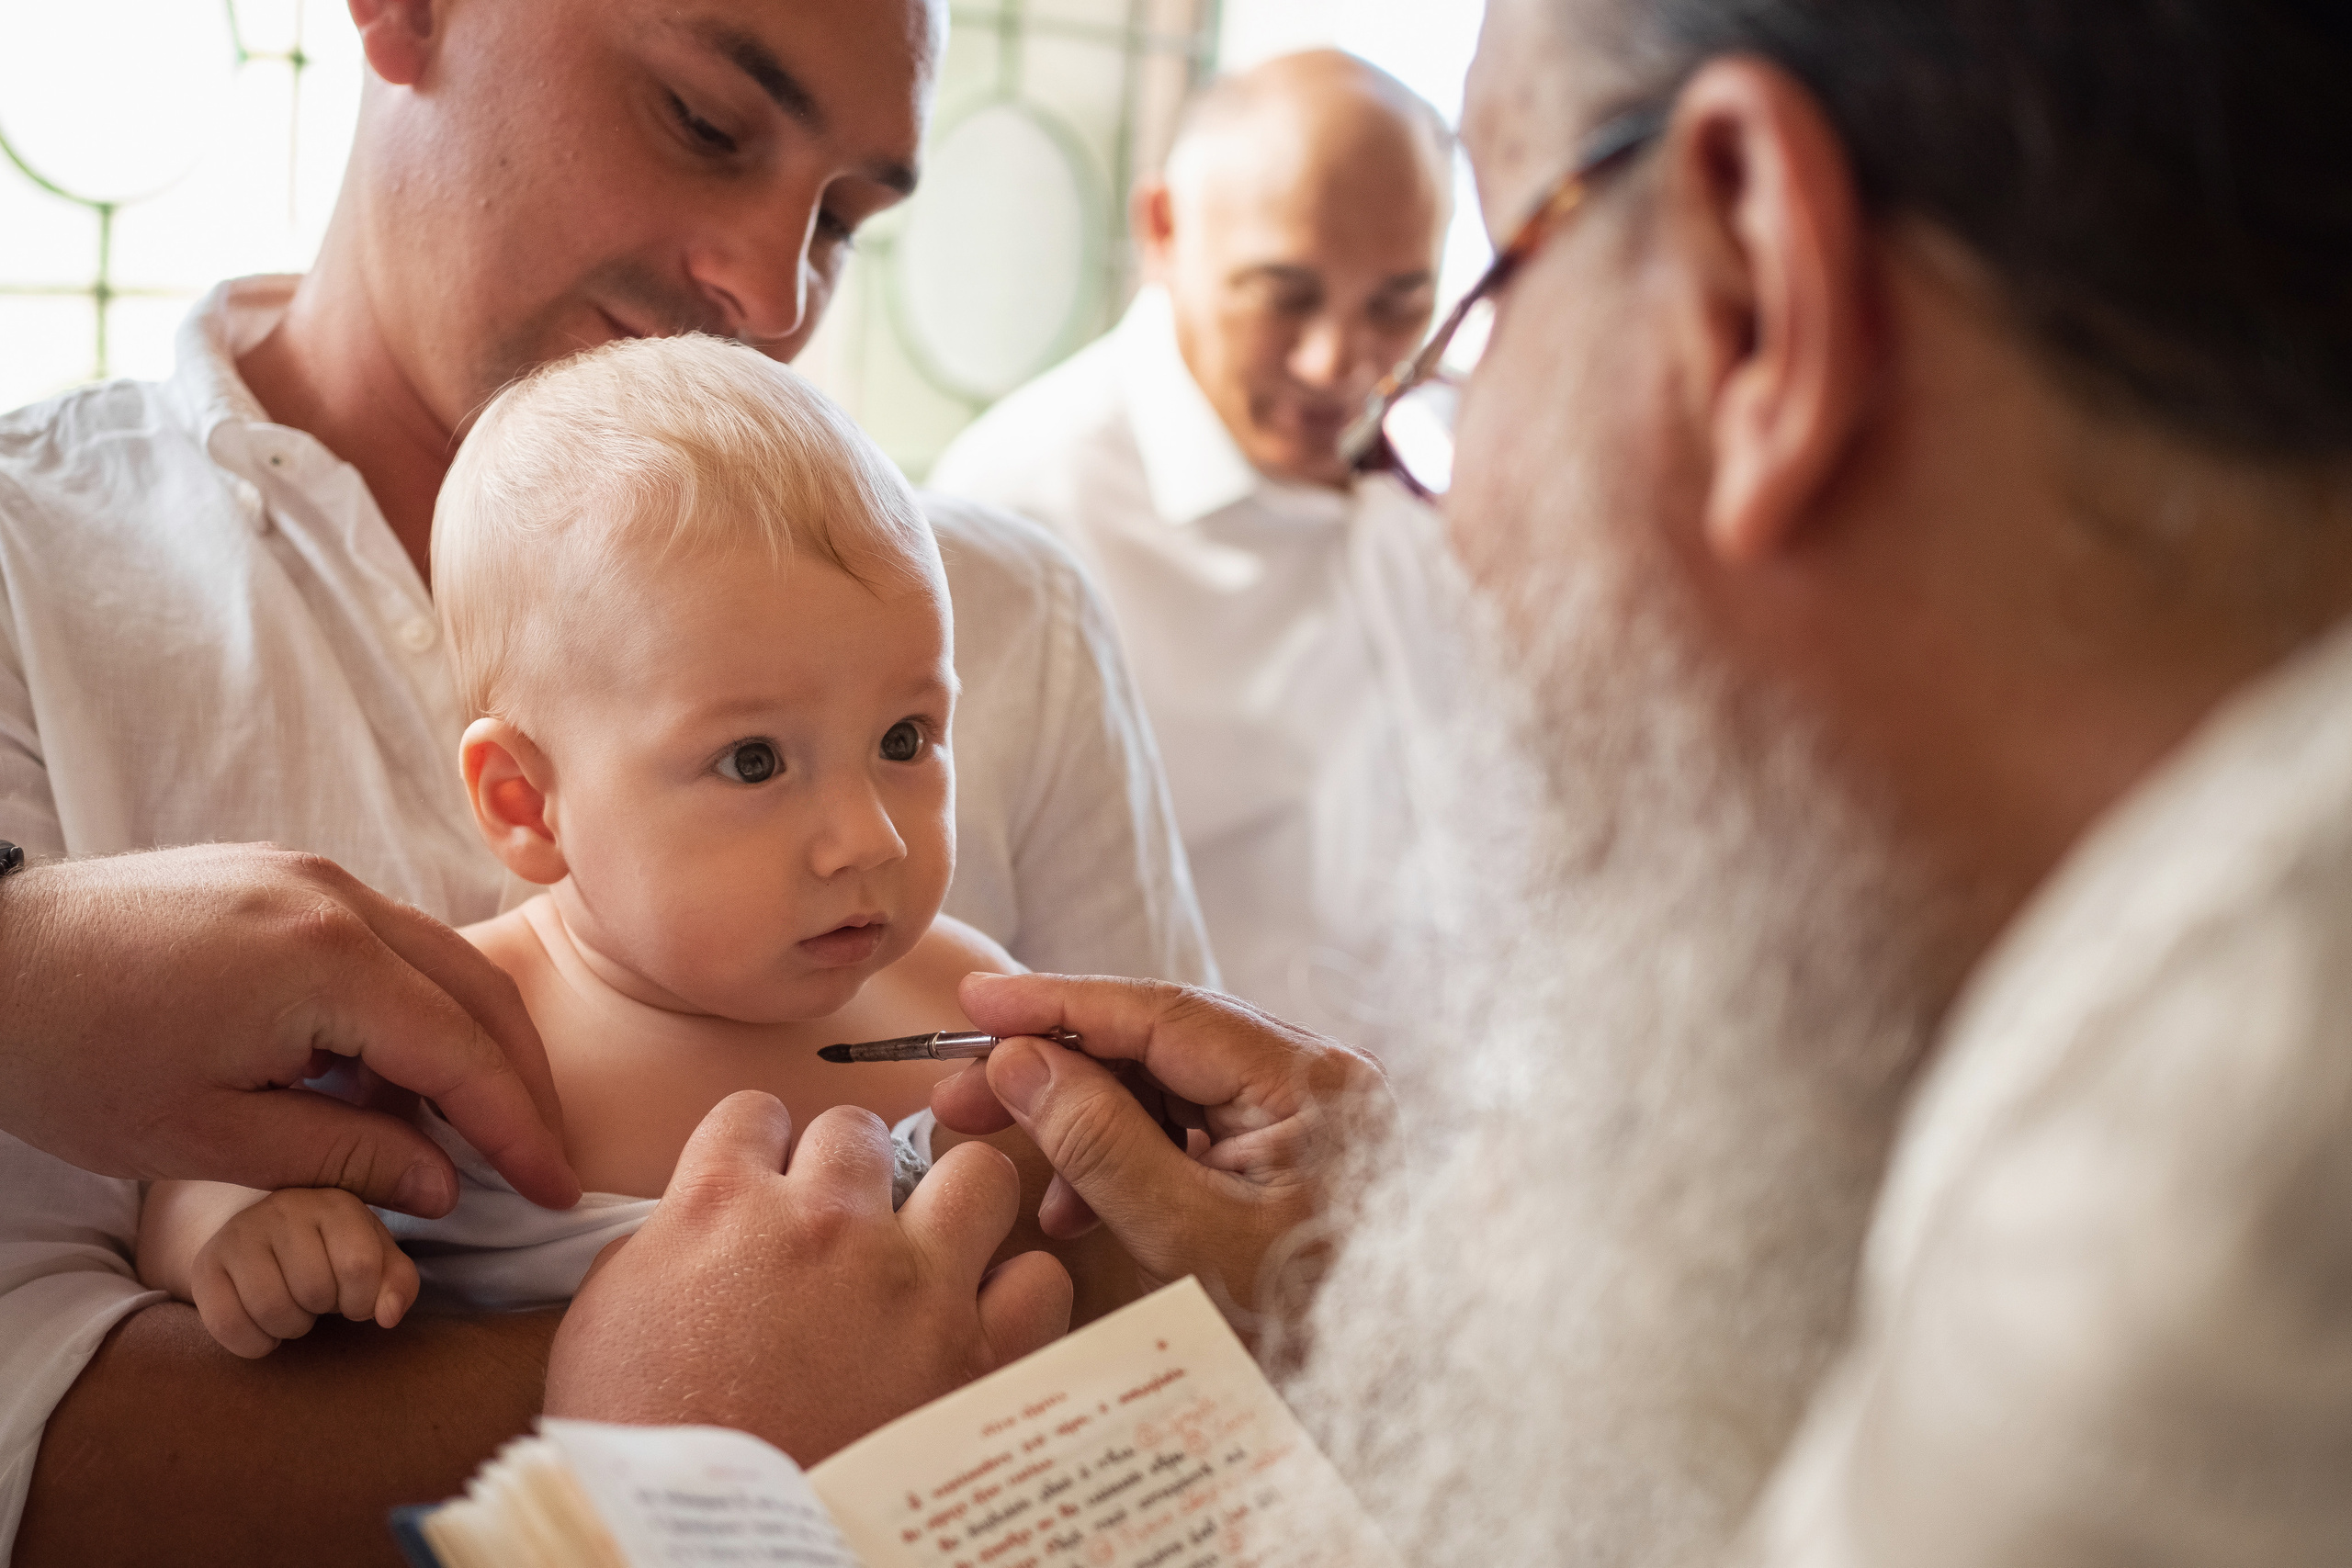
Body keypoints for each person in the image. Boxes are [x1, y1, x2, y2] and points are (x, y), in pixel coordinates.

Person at [534, 0, 2352, 1563]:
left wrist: (667, 1474)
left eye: (1469, 303)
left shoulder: (2208, 1215)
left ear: (1747, 295)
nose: (1444, 494)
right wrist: (1410, 1288)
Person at [0, 0, 1209, 1559]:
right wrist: (704, 1432)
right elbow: (37, 1439)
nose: (771, 297)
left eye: (842, 220)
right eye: (705, 122)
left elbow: (1181, 1301)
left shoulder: (1009, 614)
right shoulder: (32, 584)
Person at [134, 337, 1114, 1355]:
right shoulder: (445, 1031)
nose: (867, 838)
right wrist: (249, 1232)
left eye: (903, 740)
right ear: (528, 804)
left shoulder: (963, 1001)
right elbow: (195, 1172)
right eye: (752, 762)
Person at [931, 50, 1463, 1040]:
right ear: (1163, 230)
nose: (1340, 364)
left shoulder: (1449, 458)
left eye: (1397, 303)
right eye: (1285, 294)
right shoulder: (1017, 527)